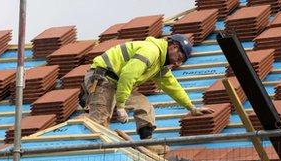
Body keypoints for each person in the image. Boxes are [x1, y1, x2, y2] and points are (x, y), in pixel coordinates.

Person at [83, 34, 213, 154]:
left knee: (144, 106)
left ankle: (147, 142)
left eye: (181, 61)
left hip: (118, 83)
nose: (178, 63)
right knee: (100, 121)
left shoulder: (160, 64)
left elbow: (173, 87)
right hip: (103, 79)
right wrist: (121, 106)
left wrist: (192, 108)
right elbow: (128, 75)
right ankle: (91, 152)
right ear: (174, 47)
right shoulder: (151, 52)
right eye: (179, 58)